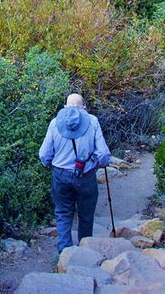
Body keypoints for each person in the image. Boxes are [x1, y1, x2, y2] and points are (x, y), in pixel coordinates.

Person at [39, 93, 111, 253]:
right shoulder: (92, 121)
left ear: (65, 107)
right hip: (85, 176)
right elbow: (104, 155)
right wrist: (97, 164)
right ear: (83, 107)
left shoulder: (54, 123)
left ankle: (64, 254)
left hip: (60, 175)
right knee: (86, 215)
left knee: (63, 213)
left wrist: (51, 164)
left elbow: (44, 154)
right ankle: (85, 252)